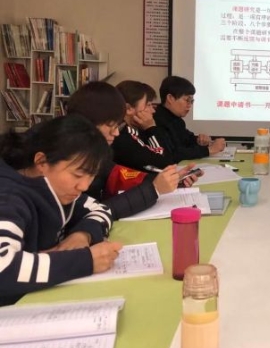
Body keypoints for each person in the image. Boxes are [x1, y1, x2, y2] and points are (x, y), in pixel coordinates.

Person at [0, 115, 122, 305]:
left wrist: (83, 235)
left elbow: (101, 209)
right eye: (78, 175)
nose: (84, 186)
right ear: (42, 162)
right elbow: (3, 268)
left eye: (91, 176)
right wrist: (86, 261)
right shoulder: (8, 198)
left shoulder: (55, 188)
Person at [67, 81, 197, 220]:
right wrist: (154, 188)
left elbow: (123, 175)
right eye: (111, 125)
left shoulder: (100, 155)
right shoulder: (72, 159)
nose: (116, 132)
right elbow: (92, 212)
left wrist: (171, 181)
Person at [153, 75, 226, 160]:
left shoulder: (177, 120)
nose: (190, 105)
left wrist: (199, 141)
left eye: (192, 101)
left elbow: (187, 141)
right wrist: (209, 150)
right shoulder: (157, 120)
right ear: (170, 98)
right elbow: (173, 153)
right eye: (187, 100)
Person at [112, 80, 177, 171]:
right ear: (128, 109)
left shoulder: (139, 131)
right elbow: (165, 164)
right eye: (148, 105)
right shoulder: (123, 139)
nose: (153, 111)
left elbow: (169, 156)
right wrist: (151, 128)